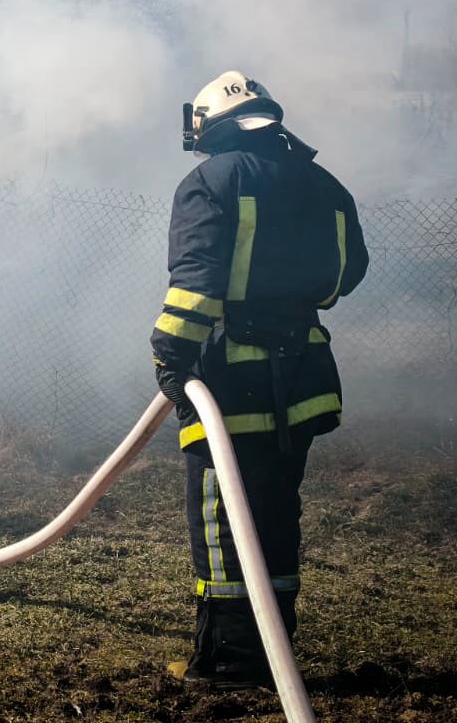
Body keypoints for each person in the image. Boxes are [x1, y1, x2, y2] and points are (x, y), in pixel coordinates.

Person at [150, 71, 368, 688]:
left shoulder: (210, 182)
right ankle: (276, 651)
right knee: (275, 511)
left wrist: (171, 355)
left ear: (209, 125)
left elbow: (196, 285)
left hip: (229, 383)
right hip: (301, 377)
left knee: (223, 521)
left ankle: (232, 662)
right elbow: (346, 275)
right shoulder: (325, 185)